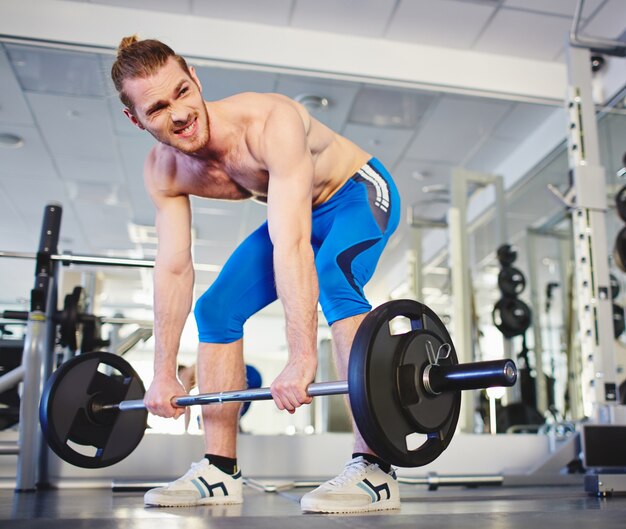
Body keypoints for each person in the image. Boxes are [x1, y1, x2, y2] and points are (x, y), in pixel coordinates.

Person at [111, 36, 401, 514]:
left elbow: (291, 245)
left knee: (333, 277)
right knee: (216, 308)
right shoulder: (164, 169)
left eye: (183, 91)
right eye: (157, 108)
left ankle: (375, 471)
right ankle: (220, 472)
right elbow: (174, 266)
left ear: (196, 79)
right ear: (134, 119)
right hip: (296, 212)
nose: (179, 113)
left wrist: (302, 355)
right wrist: (162, 373)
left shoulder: (270, 123)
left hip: (355, 193)